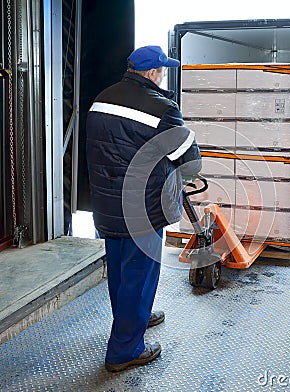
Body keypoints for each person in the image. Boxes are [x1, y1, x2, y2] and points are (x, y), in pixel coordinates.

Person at [86, 45, 202, 372]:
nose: (164, 75)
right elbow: (189, 162)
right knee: (140, 274)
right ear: (152, 73)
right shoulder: (161, 108)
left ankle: (130, 319)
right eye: (162, 70)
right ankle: (125, 350)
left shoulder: (102, 98)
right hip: (142, 208)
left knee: (121, 272)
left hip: (107, 204)